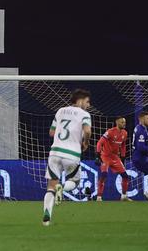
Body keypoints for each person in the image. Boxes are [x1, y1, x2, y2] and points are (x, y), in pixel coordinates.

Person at [42, 88, 92, 225]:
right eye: (87, 102)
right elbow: (87, 130)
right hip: (72, 153)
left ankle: (46, 219)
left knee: (51, 186)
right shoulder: (84, 114)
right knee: (74, 181)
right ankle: (62, 189)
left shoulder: (60, 111)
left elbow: (51, 133)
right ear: (80, 100)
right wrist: (85, 142)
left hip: (55, 152)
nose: (88, 105)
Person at [94, 116, 129, 200]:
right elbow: (99, 143)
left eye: (124, 122)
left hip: (115, 157)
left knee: (125, 176)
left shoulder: (125, 133)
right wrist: (98, 155)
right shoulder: (110, 132)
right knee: (104, 175)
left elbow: (123, 145)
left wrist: (123, 157)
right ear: (117, 122)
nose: (124, 124)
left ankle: (124, 196)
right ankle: (99, 197)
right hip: (105, 156)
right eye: (122, 122)